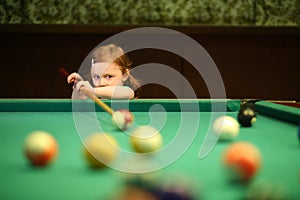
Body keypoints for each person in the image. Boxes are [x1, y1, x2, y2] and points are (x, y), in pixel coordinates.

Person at [67, 44, 140, 99]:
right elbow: (78, 103)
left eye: (108, 76)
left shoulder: (127, 92)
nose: (101, 83)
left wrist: (92, 90)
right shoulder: (93, 97)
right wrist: (80, 88)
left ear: (125, 75)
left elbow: (127, 93)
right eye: (96, 77)